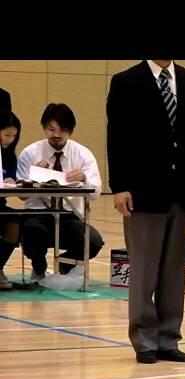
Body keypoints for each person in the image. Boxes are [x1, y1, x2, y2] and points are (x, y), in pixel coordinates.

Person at [107, 60, 185, 363]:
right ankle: (144, 340)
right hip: (143, 190)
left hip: (183, 190)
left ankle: (169, 338)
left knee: (173, 270)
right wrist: (120, 186)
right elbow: (117, 137)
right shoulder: (126, 81)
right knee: (144, 269)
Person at [16, 103, 104, 281]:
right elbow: (22, 194)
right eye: (51, 129)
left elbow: (96, 192)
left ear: (71, 130)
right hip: (37, 213)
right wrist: (33, 176)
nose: (56, 135)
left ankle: (65, 265)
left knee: (93, 241)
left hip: (69, 215)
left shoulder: (82, 154)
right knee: (31, 230)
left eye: (62, 130)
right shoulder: (30, 153)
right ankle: (39, 266)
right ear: (44, 128)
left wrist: (84, 178)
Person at [0, 109, 21, 289]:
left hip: (0, 204)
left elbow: (13, 178)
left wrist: (10, 181)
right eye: (6, 135)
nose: (9, 139)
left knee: (14, 222)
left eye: (13, 136)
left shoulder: (9, 156)